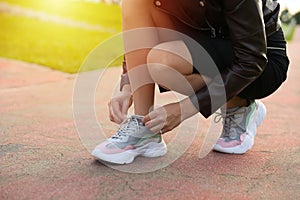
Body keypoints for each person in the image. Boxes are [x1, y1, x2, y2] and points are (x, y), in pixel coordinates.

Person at [92, 0, 289, 164]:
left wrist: (184, 109)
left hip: (260, 58)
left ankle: (239, 104)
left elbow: (252, 61)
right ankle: (144, 130)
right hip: (206, 39)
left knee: (163, 64)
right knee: (160, 60)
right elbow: (141, 28)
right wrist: (128, 85)